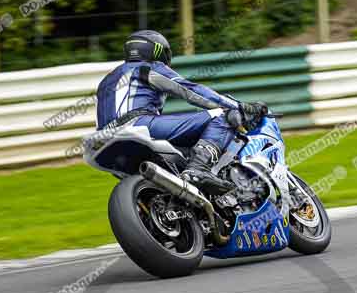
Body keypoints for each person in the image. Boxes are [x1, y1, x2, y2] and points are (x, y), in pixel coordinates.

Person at [96, 30, 266, 192]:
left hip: (104, 140)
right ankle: (198, 169)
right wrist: (238, 107)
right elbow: (190, 91)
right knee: (222, 115)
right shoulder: (147, 67)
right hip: (138, 124)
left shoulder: (106, 80)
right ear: (157, 50)